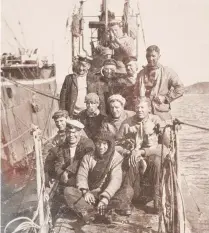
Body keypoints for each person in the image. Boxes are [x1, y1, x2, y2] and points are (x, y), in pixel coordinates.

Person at [116, 97, 169, 214]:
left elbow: (165, 147)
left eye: (142, 107)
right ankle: (125, 202)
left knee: (157, 162)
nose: (139, 110)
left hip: (151, 154)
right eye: (137, 107)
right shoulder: (127, 123)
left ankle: (157, 201)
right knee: (132, 161)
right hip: (133, 154)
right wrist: (129, 152)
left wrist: (144, 152)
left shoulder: (156, 121)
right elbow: (116, 145)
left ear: (149, 109)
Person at [63, 131, 123, 223]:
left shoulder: (116, 158)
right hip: (91, 194)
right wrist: (85, 192)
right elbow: (82, 175)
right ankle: (92, 211)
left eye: (104, 144)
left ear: (110, 144)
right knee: (68, 191)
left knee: (126, 191)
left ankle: (106, 211)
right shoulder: (88, 157)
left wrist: (105, 197)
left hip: (107, 193)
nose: (101, 147)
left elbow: (116, 179)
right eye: (98, 143)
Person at [134, 45, 184, 122]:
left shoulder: (168, 72)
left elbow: (180, 88)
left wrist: (166, 98)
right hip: (145, 116)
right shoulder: (140, 74)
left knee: (165, 132)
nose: (150, 58)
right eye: (148, 56)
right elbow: (135, 94)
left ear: (159, 56)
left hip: (162, 115)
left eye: (153, 56)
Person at [54, 119, 95, 187]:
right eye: (68, 132)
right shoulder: (63, 146)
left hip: (85, 178)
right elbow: (58, 163)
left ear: (80, 133)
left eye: (74, 132)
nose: (71, 135)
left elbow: (81, 160)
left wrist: (67, 171)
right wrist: (62, 175)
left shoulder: (88, 144)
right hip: (67, 179)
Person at [44, 110, 69, 185]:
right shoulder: (57, 138)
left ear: (67, 119)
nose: (59, 124)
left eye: (61, 121)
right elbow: (50, 151)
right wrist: (46, 171)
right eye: (56, 122)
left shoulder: (74, 131)